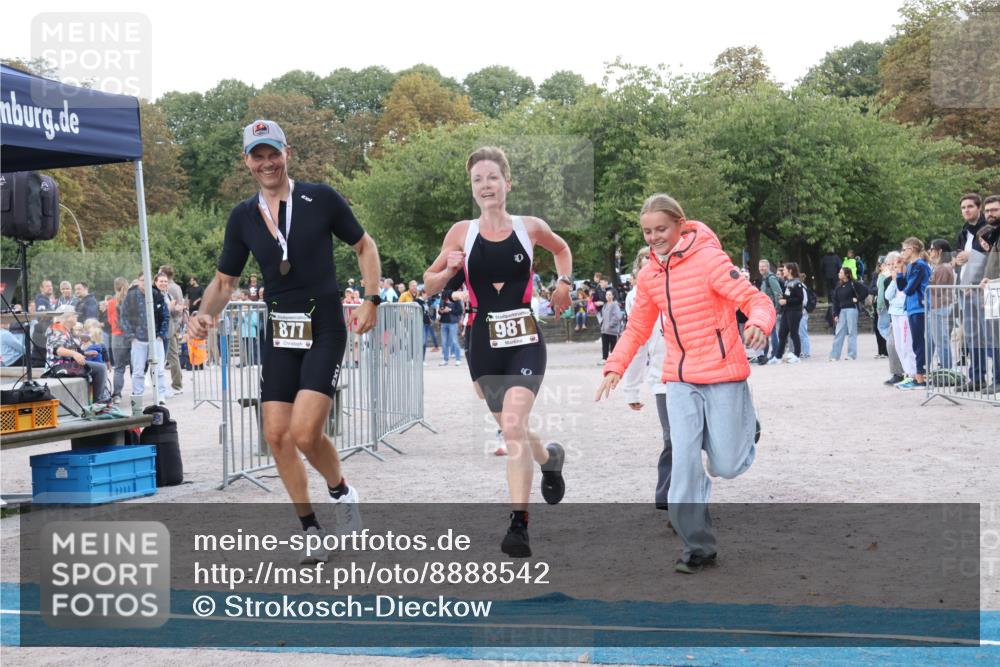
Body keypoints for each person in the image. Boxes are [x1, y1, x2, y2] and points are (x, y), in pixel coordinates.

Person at [187, 119, 381, 563]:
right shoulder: (242, 217)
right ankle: (311, 529)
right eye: (258, 155)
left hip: (325, 325)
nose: (267, 163)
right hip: (281, 330)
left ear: (287, 153)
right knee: (276, 435)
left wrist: (372, 298)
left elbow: (365, 246)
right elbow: (224, 280)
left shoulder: (321, 198)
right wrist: (203, 314)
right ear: (247, 161)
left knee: (305, 431)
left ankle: (343, 493)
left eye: (273, 153)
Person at [597, 193, 773, 574]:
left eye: (661, 229)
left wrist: (759, 323)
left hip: (723, 372)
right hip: (679, 378)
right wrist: (615, 366)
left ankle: (745, 424)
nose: (654, 237)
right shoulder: (649, 276)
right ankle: (697, 546)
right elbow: (637, 329)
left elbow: (754, 299)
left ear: (680, 224)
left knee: (725, 465)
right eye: (647, 231)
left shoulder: (709, 260)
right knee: (684, 462)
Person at [422, 146, 573, 557]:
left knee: (511, 427)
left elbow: (561, 250)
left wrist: (564, 283)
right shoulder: (461, 233)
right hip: (483, 345)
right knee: (515, 429)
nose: (485, 186)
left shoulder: (530, 227)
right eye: (477, 180)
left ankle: (518, 525)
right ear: (472, 189)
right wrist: (448, 269)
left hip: (525, 339)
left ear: (507, 183)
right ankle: (549, 458)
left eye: (492, 178)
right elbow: (428, 283)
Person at [619, 246, 672, 512]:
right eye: (642, 262)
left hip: (695, 372)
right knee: (672, 438)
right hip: (662, 376)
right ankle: (669, 497)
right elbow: (638, 341)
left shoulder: (680, 284)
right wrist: (631, 389)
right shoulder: (636, 297)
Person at [122, 272, 172, 405]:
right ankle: (138, 395)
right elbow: (124, 317)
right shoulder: (131, 296)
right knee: (138, 370)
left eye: (147, 280)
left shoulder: (156, 295)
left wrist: (161, 334)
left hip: (156, 339)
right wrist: (131, 337)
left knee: (159, 369)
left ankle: (160, 395)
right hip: (138, 339)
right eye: (142, 280)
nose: (144, 282)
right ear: (138, 281)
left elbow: (165, 316)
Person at [45, 305, 110, 403]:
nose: (77, 317)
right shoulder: (57, 329)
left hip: (66, 365)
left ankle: (98, 400)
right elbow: (57, 350)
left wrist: (85, 353)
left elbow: (68, 349)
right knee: (100, 368)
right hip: (58, 367)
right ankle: (98, 402)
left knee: (98, 368)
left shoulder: (66, 330)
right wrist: (75, 354)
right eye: (75, 315)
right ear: (68, 317)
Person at [895, 238, 932, 389]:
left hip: (919, 307)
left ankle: (920, 377)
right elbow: (902, 286)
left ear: (913, 249)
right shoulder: (911, 266)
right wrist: (899, 271)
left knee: (918, 342)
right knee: (916, 342)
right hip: (911, 307)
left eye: (904, 249)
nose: (902, 253)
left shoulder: (920, 266)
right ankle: (918, 376)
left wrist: (904, 275)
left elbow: (909, 289)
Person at [926, 240, 955, 372]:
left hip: (939, 307)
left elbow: (936, 290)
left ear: (940, 251)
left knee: (941, 340)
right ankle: (939, 367)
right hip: (937, 307)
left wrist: (926, 284)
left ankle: (946, 369)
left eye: (932, 249)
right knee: (935, 339)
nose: (930, 251)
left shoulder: (943, 267)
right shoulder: (940, 267)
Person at [828, 267, 867, 361]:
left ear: (847, 275)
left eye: (841, 272)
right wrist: (835, 314)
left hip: (852, 310)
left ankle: (851, 354)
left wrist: (858, 299)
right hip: (842, 311)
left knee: (852, 332)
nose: (839, 274)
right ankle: (834, 355)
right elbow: (836, 302)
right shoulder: (838, 286)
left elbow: (865, 291)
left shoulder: (854, 284)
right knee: (839, 332)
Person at [159, 265, 186, 394]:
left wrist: (175, 324)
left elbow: (178, 308)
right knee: (172, 356)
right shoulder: (177, 287)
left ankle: (177, 385)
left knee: (172, 356)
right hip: (173, 324)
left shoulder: (170, 288)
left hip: (170, 325)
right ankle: (177, 382)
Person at [775, 262, 805, 363]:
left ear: (790, 271)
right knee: (782, 333)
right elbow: (788, 296)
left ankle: (797, 355)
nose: (783, 271)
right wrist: (782, 297)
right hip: (786, 311)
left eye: (784, 269)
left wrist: (786, 301)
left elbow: (800, 299)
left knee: (794, 333)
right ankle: (778, 356)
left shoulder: (797, 283)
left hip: (795, 311)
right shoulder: (787, 282)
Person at [107, 277, 130, 404]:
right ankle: (137, 392)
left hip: (117, 336)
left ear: (115, 287)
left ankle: (117, 395)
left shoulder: (111, 302)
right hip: (131, 336)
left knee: (119, 368)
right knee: (136, 367)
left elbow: (110, 321)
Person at [757, 260, 782, 363]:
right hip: (766, 309)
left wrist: (776, 309)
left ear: (768, 267)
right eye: (760, 266)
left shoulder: (770, 278)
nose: (761, 268)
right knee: (767, 333)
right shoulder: (764, 279)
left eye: (763, 266)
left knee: (772, 333)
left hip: (771, 309)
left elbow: (778, 293)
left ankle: (775, 354)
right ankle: (765, 354)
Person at [437, 289, 464, 366]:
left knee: (454, 341)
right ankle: (445, 360)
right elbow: (439, 311)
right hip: (444, 322)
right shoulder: (442, 300)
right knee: (444, 342)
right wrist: (440, 311)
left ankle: (458, 359)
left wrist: (450, 310)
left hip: (453, 323)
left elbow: (460, 311)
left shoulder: (455, 300)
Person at [600, 289, 622, 362]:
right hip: (604, 330)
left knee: (613, 346)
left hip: (612, 330)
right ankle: (604, 358)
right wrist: (603, 325)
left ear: (613, 296)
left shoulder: (615, 305)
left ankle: (613, 360)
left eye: (609, 295)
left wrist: (610, 325)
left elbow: (618, 316)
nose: (608, 296)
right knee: (605, 345)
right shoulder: (605, 305)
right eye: (607, 295)